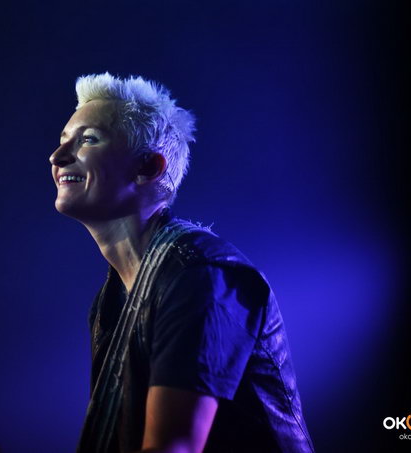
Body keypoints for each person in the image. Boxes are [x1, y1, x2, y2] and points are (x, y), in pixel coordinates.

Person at [49, 72, 315, 453]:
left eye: (88, 139)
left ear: (148, 168)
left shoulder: (199, 274)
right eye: (62, 140)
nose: (57, 156)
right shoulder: (109, 304)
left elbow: (174, 447)